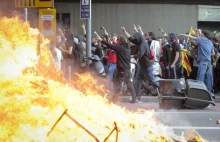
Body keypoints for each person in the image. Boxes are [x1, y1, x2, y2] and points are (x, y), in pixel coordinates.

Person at [122, 27, 159, 103]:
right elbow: (131, 39)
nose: (135, 40)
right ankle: (138, 98)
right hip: (142, 67)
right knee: (137, 81)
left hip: (147, 66)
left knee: (152, 81)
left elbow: (139, 54)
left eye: (136, 38)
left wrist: (130, 56)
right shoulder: (139, 41)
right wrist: (125, 32)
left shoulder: (143, 44)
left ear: (139, 38)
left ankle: (164, 88)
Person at [97, 34, 136, 103]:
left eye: (118, 40)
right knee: (129, 83)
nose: (117, 41)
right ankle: (134, 98)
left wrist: (102, 41)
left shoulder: (120, 48)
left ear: (120, 41)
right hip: (127, 68)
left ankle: (115, 99)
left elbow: (111, 46)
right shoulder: (128, 48)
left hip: (122, 69)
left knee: (117, 84)